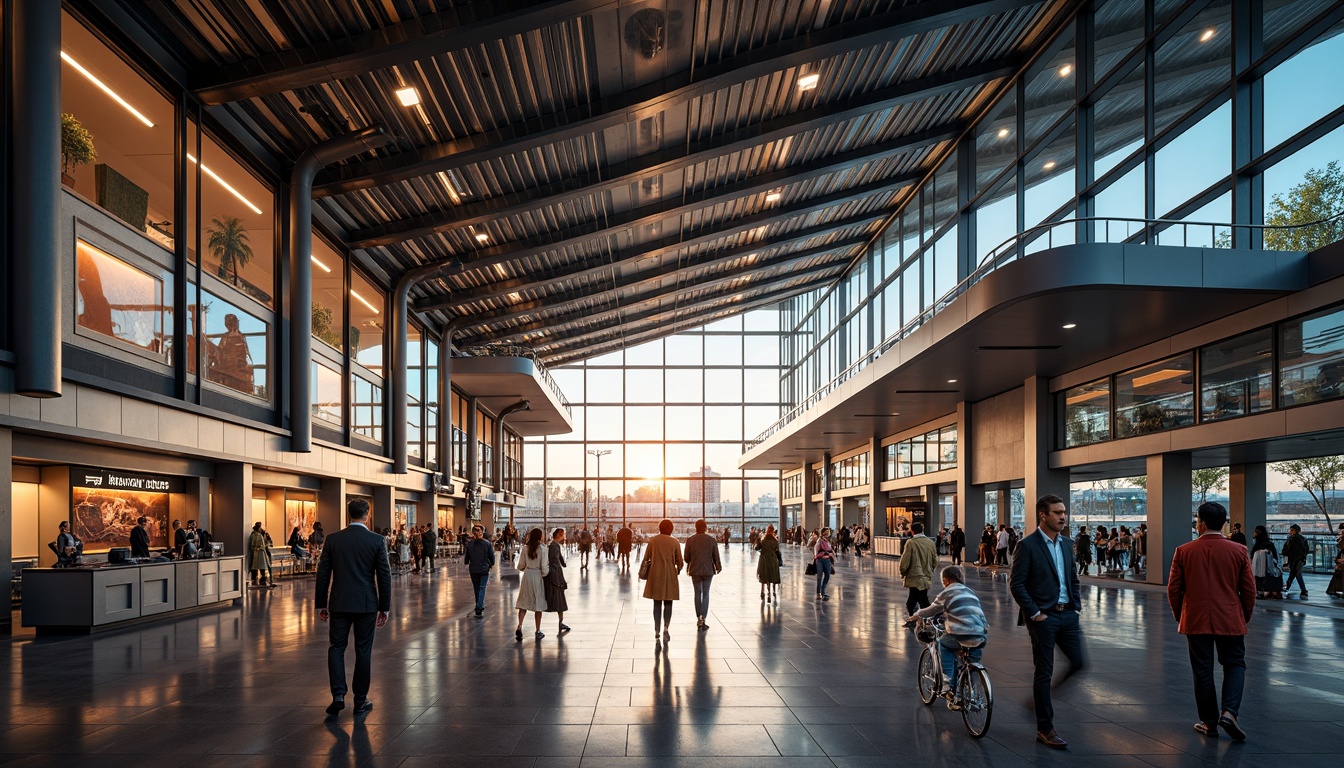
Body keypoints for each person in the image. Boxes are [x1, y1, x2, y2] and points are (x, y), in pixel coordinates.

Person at [1167, 501, 1254, 741]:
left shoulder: (1183, 550)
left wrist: (1181, 616)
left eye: (1196, 521)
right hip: (1230, 617)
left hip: (1196, 619)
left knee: (1202, 670)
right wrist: (1242, 616)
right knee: (1235, 664)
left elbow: (1174, 590)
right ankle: (1229, 712)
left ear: (1201, 523)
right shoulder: (1238, 551)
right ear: (1224, 523)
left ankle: (1209, 723)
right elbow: (1249, 590)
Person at [1009, 494, 1085, 750]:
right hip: (1044, 617)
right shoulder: (1027, 545)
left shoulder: (1066, 543)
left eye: (1064, 512)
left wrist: (1076, 605)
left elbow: (1072, 577)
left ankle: (1039, 700)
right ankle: (1045, 728)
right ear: (1043, 514)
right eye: (1057, 512)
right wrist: (1034, 613)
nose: (1063, 516)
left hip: (1068, 615)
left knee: (1079, 663)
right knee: (1044, 671)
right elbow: (1016, 583)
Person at [315, 498, 392, 718]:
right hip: (366, 603)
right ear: (367, 514)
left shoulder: (333, 539)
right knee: (363, 650)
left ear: (348, 514)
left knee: (336, 647)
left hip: (339, 602)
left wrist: (321, 603)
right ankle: (360, 701)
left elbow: (323, 573)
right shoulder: (377, 541)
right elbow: (384, 575)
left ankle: (338, 695)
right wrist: (384, 607)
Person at [905, 565, 989, 700]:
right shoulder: (969, 591)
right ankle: (971, 685)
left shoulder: (947, 592)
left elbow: (930, 610)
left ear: (946, 580)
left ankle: (948, 682)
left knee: (944, 643)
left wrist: (916, 615)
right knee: (971, 661)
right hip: (980, 634)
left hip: (961, 633)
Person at [641, 519, 684, 645]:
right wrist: (678, 570)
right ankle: (666, 627)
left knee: (657, 602)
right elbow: (680, 561)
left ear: (659, 528)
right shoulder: (675, 541)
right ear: (671, 529)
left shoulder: (653, 541)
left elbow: (646, 558)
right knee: (668, 602)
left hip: (655, 574)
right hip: (670, 574)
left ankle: (656, 629)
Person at [683, 518, 722, 630]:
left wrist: (692, 560)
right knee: (706, 593)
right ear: (705, 528)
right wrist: (718, 567)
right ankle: (703, 617)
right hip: (708, 570)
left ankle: (698, 617)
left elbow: (686, 558)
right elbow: (716, 556)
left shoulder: (690, 540)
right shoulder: (711, 540)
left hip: (695, 570)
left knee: (697, 593)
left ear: (696, 527)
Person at [514, 528, 549, 641]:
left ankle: (520, 625)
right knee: (538, 603)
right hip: (537, 575)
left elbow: (520, 566)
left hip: (527, 575)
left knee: (524, 602)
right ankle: (537, 630)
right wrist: (544, 574)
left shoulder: (525, 548)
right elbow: (544, 568)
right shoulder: (543, 549)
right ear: (540, 537)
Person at [899, 522, 939, 615]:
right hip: (926, 576)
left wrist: (903, 572)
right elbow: (935, 560)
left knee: (914, 601)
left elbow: (905, 560)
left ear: (912, 531)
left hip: (914, 576)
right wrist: (930, 569)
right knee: (921, 598)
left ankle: (918, 619)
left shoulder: (911, 542)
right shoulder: (931, 542)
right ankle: (921, 619)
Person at [542, 528, 571, 633]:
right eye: (563, 534)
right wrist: (557, 579)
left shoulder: (552, 545)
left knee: (559, 600)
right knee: (559, 600)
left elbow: (558, 558)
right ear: (559, 535)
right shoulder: (554, 546)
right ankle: (560, 622)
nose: (564, 536)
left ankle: (561, 622)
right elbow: (554, 560)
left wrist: (563, 563)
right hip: (555, 576)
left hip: (554, 575)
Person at [463, 524, 495, 617]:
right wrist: (490, 564)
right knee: (482, 588)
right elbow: (492, 558)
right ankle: (479, 606)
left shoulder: (470, 544)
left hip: (473, 569)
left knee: (476, 588)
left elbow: (466, 559)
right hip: (484, 569)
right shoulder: (487, 543)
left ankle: (478, 605)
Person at [1249, 526, 1282, 599]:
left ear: (1259, 532)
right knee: (1265, 578)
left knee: (1258, 578)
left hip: (1259, 567)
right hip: (1268, 567)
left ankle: (1260, 592)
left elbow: (1253, 555)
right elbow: (1274, 556)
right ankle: (1268, 591)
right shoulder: (1269, 543)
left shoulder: (1258, 544)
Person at [1282, 524, 1310, 598]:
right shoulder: (1302, 539)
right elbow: (1306, 550)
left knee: (1295, 573)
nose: (1290, 532)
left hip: (1294, 559)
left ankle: (1301, 589)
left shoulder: (1291, 539)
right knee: (1295, 573)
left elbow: (1287, 550)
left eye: (1292, 530)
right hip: (1299, 559)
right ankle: (1302, 590)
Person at [756, 524, 782, 602]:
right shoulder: (775, 540)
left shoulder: (763, 540)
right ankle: (771, 592)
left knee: (763, 575)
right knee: (771, 575)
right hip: (772, 559)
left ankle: (762, 591)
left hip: (764, 559)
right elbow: (776, 549)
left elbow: (757, 548)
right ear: (773, 531)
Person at [248, 522, 275, 588]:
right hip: (259, 553)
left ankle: (261, 579)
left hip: (260, 553)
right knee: (258, 566)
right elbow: (252, 545)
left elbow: (267, 542)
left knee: (261, 566)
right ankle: (256, 579)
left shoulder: (258, 534)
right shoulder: (255, 535)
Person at [813, 527, 835, 600]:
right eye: (827, 531)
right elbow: (816, 550)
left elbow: (831, 550)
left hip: (827, 560)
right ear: (823, 532)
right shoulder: (820, 541)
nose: (828, 533)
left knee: (827, 575)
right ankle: (819, 592)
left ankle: (823, 591)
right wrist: (817, 556)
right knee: (819, 576)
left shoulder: (827, 541)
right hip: (820, 560)